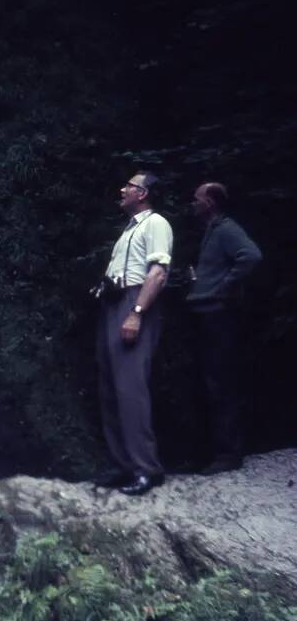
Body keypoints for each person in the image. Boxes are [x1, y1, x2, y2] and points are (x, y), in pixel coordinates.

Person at [95, 172, 173, 495]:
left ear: (143, 193)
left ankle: (146, 468)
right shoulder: (130, 229)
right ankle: (122, 465)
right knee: (110, 386)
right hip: (115, 303)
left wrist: (137, 313)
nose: (122, 188)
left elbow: (157, 273)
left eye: (129, 185)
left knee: (130, 387)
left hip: (135, 303)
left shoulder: (156, 223)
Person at [187, 182, 262, 474]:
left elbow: (252, 255)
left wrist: (223, 287)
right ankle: (216, 451)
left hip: (218, 314)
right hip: (206, 313)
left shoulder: (227, 228)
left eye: (197, 199)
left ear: (211, 202)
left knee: (220, 382)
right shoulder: (211, 230)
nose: (193, 203)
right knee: (210, 381)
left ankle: (228, 455)